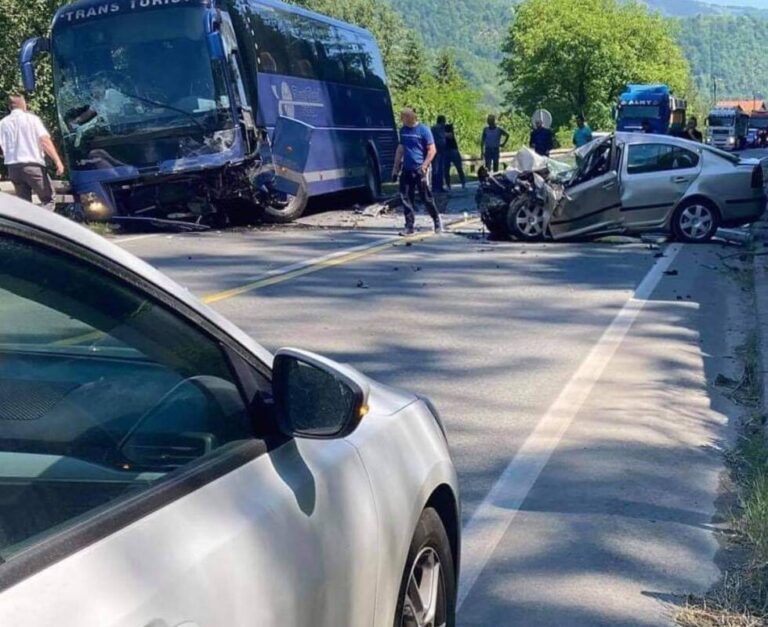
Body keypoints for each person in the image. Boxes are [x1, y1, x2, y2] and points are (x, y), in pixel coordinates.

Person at [0, 95, 65, 210]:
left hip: (13, 168)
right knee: (48, 199)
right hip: (33, 166)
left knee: (25, 205)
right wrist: (58, 161)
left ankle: (25, 227)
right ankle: (43, 224)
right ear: (23, 104)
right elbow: (44, 141)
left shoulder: (3, 123)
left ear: (10, 107)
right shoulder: (32, 119)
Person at [392, 107, 443, 236]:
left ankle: (436, 219)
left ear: (411, 117)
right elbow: (400, 149)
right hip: (407, 169)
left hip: (420, 169)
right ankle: (409, 226)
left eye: (403, 117)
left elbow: (432, 150)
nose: (402, 120)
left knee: (426, 197)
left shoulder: (423, 130)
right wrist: (395, 168)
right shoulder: (403, 131)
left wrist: (425, 165)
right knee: (406, 197)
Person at [444, 122, 466, 190]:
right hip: (450, 151)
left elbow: (449, 136)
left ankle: (462, 183)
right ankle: (449, 185)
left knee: (457, 168)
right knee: (447, 169)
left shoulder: (448, 134)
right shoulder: (448, 133)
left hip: (452, 150)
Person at [430, 115, 448, 193]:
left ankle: (438, 187)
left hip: (440, 151)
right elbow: (441, 137)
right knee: (437, 169)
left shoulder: (434, 128)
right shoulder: (437, 128)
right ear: (442, 121)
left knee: (439, 169)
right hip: (437, 151)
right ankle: (436, 187)